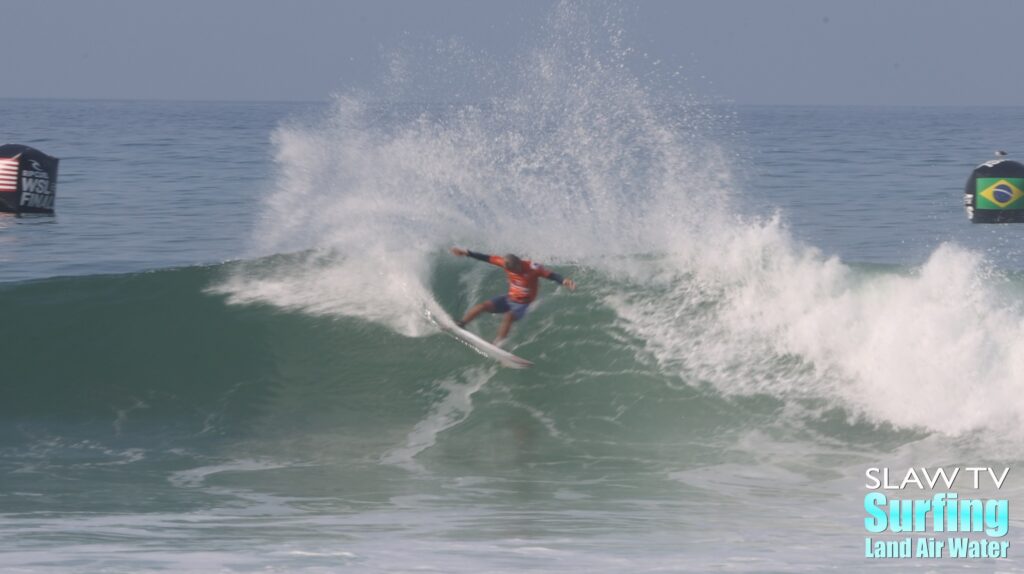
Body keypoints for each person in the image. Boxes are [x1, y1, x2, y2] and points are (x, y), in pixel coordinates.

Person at [450, 247, 576, 345]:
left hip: (522, 304)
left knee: (509, 316)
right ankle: (462, 323)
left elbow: (551, 275)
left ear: (519, 264)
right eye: (509, 271)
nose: (512, 273)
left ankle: (497, 344)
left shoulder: (533, 268)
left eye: (514, 270)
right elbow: (486, 258)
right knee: (482, 306)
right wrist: (466, 253)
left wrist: (565, 281)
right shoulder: (505, 263)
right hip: (509, 298)